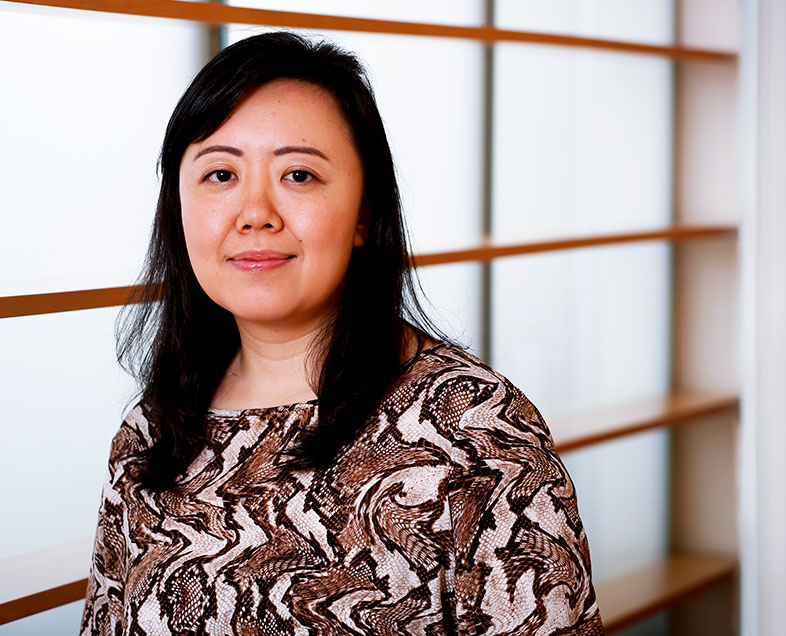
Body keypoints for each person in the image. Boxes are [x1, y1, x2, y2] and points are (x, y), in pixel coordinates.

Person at [80, 31, 603, 635]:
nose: (256, 212)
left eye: (298, 175)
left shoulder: (474, 431)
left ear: (365, 214)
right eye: (220, 174)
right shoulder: (151, 434)